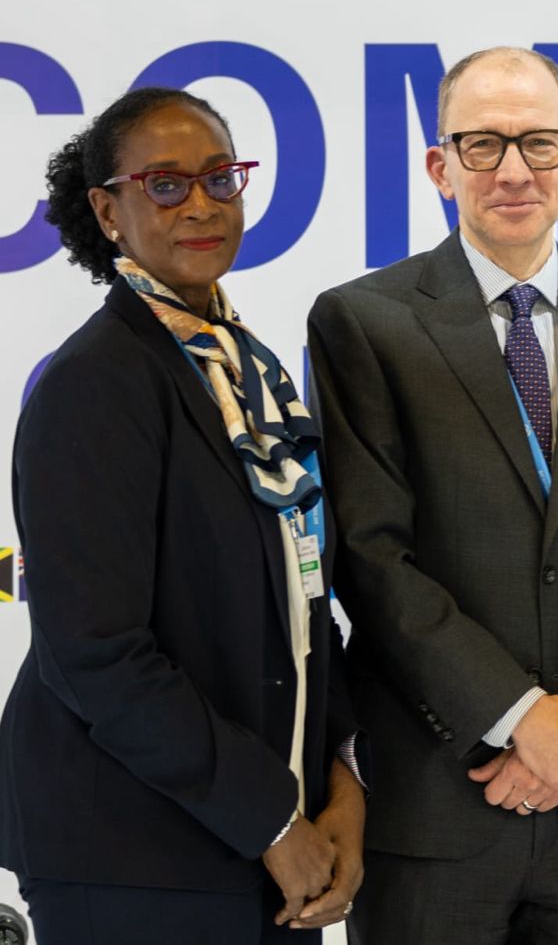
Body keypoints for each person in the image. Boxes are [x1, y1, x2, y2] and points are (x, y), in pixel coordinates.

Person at [308, 46, 558, 943]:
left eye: (537, 143)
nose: (514, 170)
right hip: (437, 803)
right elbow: (369, 556)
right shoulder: (363, 322)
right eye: (482, 145)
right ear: (440, 168)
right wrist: (520, 721)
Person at [0, 87, 365, 942]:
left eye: (219, 178)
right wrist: (275, 822)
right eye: (164, 184)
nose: (200, 204)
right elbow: (98, 654)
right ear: (109, 210)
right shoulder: (96, 382)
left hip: (266, 842)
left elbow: (306, 605)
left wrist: (344, 778)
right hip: (133, 854)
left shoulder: (250, 372)